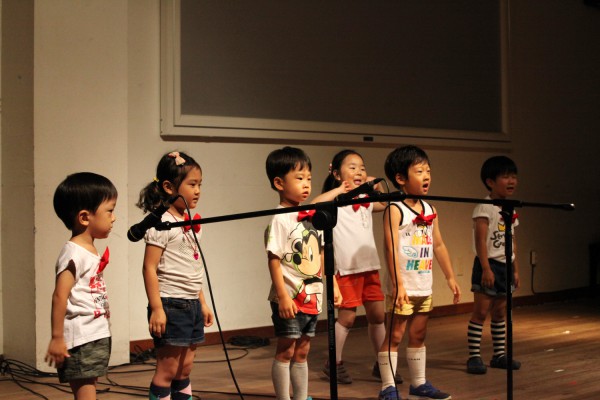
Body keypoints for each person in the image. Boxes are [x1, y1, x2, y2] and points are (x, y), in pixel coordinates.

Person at [311, 149, 402, 385]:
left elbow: (385, 204)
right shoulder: (335, 202)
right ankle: (333, 363)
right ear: (336, 173)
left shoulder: (365, 201)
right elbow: (313, 204)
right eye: (352, 167)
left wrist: (375, 188)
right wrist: (340, 190)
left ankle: (382, 364)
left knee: (378, 316)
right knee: (348, 318)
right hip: (346, 269)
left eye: (362, 168)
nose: (359, 171)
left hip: (369, 266)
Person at [377, 145, 461, 400]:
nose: (426, 176)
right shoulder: (395, 209)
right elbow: (390, 248)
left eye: (428, 171)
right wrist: (398, 284)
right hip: (402, 286)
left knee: (419, 334)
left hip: (423, 284)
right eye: (419, 171)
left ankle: (419, 383)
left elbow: (439, 244)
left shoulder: (430, 209)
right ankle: (388, 387)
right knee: (395, 335)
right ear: (401, 178)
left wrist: (450, 276)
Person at [264, 146, 342, 400]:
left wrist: (333, 284)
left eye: (308, 178)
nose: (306, 184)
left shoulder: (311, 217)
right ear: (279, 183)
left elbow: (321, 253)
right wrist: (282, 297)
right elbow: (274, 260)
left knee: (303, 350)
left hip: (312, 296)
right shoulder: (280, 219)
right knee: (286, 350)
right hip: (289, 298)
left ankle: (301, 396)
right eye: (299, 178)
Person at [137, 151, 214, 400]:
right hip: (171, 304)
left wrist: (202, 303)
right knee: (167, 370)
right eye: (192, 184)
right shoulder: (162, 223)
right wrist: (157, 308)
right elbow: (149, 268)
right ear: (169, 187)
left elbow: (192, 268)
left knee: (185, 368)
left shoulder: (189, 222)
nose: (198, 191)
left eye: (200, 184)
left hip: (191, 304)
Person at [45, 172, 118, 400]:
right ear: (85, 217)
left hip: (95, 333)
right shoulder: (73, 253)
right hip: (81, 338)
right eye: (109, 211)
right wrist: (57, 337)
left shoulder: (88, 250)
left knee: (90, 386)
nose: (114, 218)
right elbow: (60, 296)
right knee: (85, 392)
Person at [466, 156, 521, 375]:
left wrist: (515, 269)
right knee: (481, 312)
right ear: (490, 182)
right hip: (487, 265)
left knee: (500, 313)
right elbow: (480, 241)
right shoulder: (484, 208)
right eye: (506, 177)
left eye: (514, 176)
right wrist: (486, 268)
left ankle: (499, 355)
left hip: (505, 266)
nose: (511, 181)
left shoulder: (510, 208)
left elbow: (512, 239)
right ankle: (474, 356)